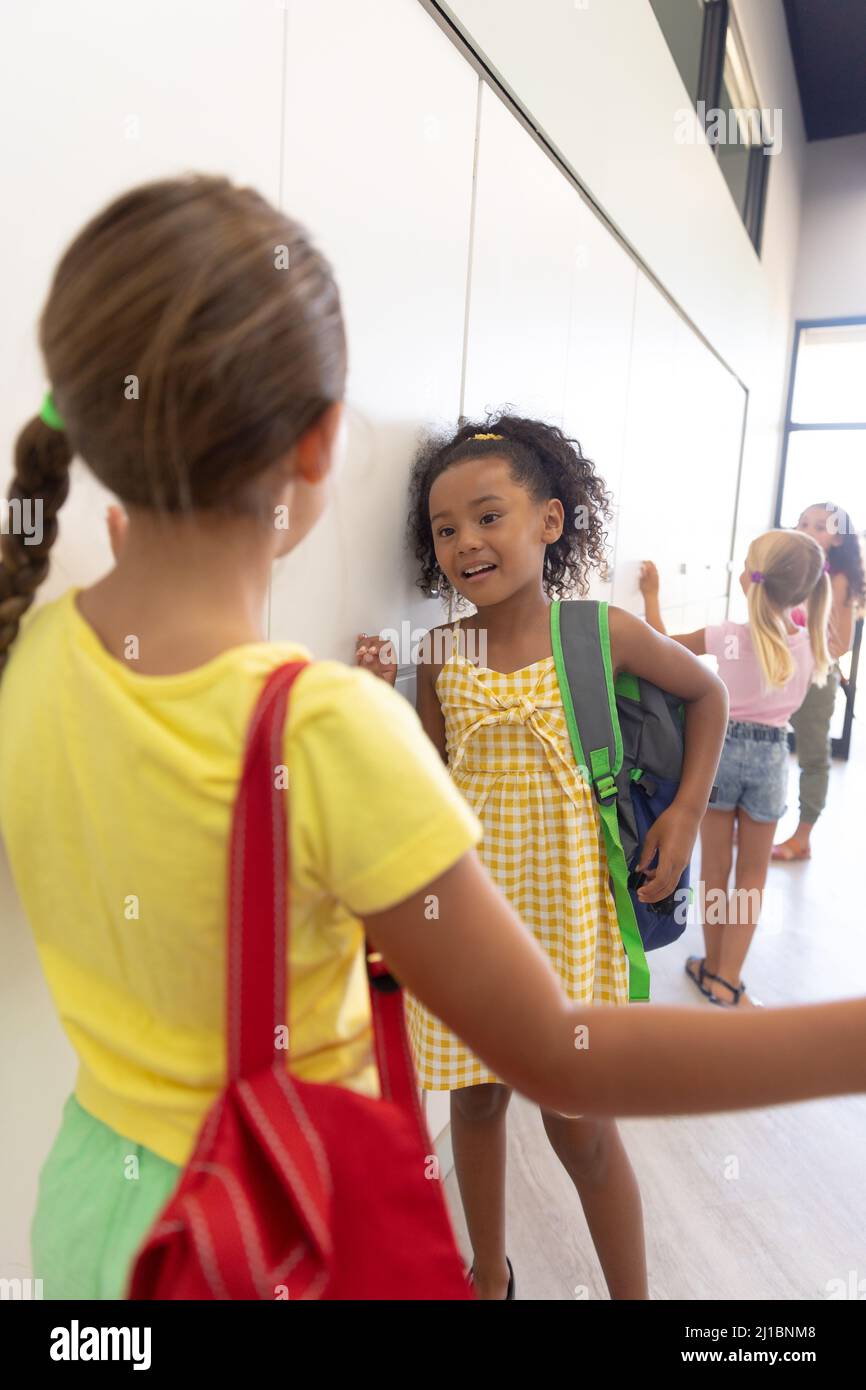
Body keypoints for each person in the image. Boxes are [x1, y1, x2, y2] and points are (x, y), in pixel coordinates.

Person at [2, 177, 865, 1303]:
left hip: (87, 1218)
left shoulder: (34, 646)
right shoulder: (319, 724)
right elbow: (557, 1050)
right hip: (261, 1231)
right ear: (319, 446)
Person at [640, 529, 829, 1008]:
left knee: (716, 873)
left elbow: (661, 645)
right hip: (771, 761)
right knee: (752, 878)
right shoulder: (811, 644)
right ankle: (727, 976)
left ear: (751, 579)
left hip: (720, 754)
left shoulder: (726, 637)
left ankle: (710, 965)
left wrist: (651, 595)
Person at [772, 502, 866, 861]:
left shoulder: (838, 579)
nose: (808, 530)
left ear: (838, 539)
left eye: (819, 526)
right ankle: (761, 819)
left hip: (815, 679)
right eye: (803, 523)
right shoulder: (790, 571)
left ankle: (802, 836)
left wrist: (799, 650)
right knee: (769, 747)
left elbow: (841, 642)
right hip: (780, 672)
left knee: (812, 756)